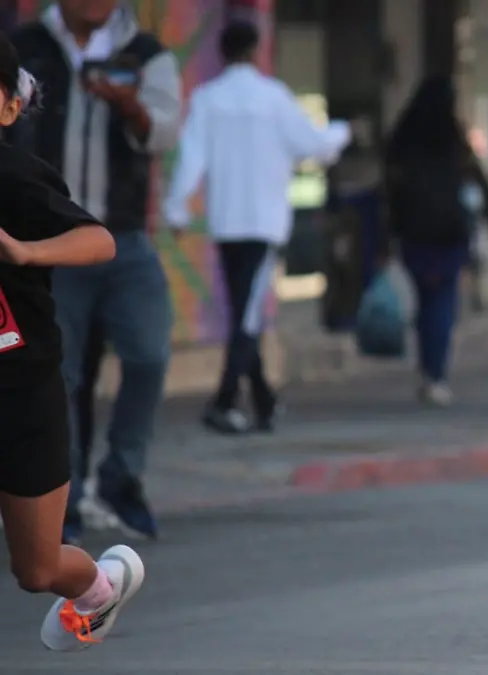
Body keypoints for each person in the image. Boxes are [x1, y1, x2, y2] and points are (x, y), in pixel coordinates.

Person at [9, 0, 183, 544]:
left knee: (150, 354)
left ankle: (121, 477)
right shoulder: (28, 44)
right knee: (58, 375)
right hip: (47, 238)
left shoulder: (146, 53)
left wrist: (129, 104)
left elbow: (164, 134)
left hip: (122, 234)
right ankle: (65, 501)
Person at [0, 40, 144, 652]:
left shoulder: (11, 177)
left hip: (20, 391)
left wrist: (27, 251)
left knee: (36, 570)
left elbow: (98, 242)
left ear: (9, 108)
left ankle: (100, 587)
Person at [163, 20, 350, 433]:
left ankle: (264, 400)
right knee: (247, 318)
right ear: (255, 50)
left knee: (243, 311)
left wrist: (176, 211)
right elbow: (313, 145)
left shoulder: (208, 100)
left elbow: (191, 160)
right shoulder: (273, 98)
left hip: (227, 224)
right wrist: (343, 131)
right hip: (264, 225)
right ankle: (225, 399)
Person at [384, 75, 488, 406]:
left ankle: (427, 367)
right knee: (442, 302)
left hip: (414, 232)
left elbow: (389, 187)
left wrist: (387, 233)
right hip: (450, 233)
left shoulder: (404, 138)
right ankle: (435, 374)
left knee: (425, 301)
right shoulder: (454, 140)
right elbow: (480, 180)